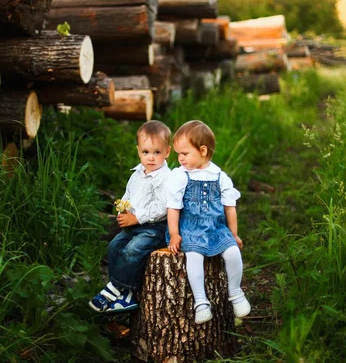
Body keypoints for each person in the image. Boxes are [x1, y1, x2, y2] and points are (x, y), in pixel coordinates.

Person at [166, 120, 251, 324]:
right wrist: (175, 233)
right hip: (190, 228)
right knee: (194, 256)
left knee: (232, 252)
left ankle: (235, 292)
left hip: (216, 228)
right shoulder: (180, 176)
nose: (180, 158)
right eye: (178, 153)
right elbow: (173, 207)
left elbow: (230, 208)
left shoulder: (220, 177)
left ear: (202, 150)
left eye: (184, 153)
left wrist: (233, 233)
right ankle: (201, 302)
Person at [89, 120, 172, 313]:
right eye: (146, 152)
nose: (151, 158)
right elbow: (128, 195)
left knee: (133, 249)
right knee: (115, 246)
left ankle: (117, 290)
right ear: (138, 151)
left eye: (157, 152)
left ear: (167, 152)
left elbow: (162, 207)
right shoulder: (136, 174)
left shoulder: (166, 177)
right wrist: (123, 210)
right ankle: (122, 292)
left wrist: (136, 218)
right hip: (134, 224)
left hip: (155, 228)